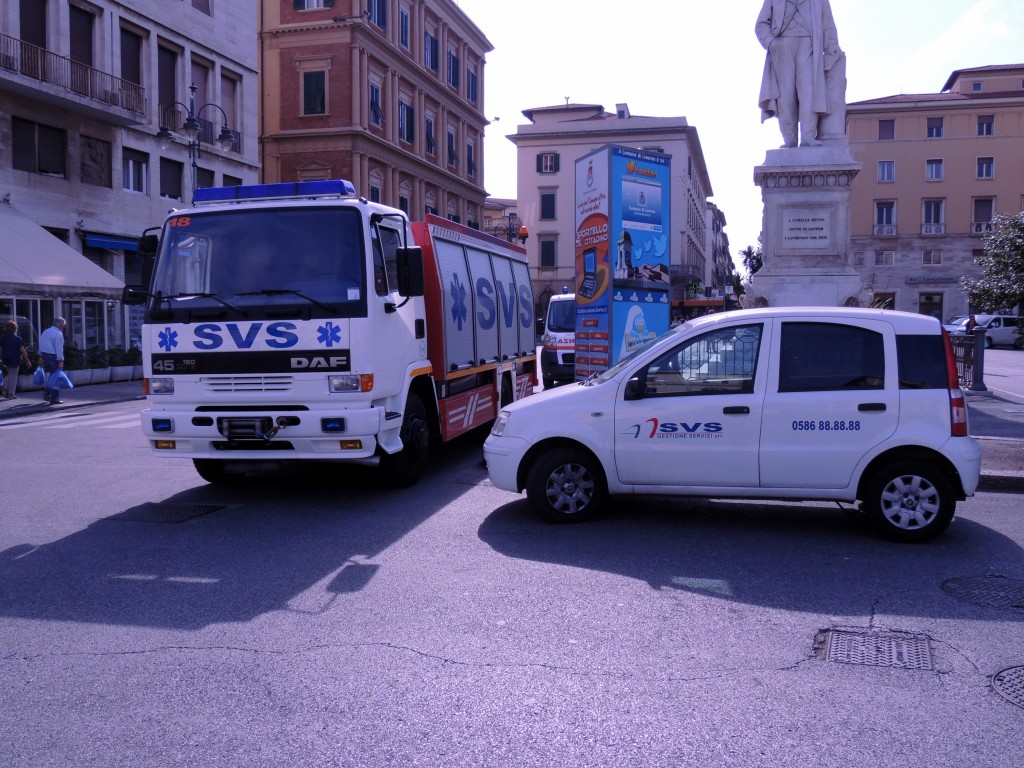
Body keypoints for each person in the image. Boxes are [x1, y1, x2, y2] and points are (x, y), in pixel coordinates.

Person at [756, 0, 844, 148]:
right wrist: (771, 43)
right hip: (782, 44)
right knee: (785, 94)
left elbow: (828, 25)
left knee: (809, 92)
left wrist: (832, 49)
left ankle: (808, 136)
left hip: (809, 44)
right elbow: (761, 24)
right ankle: (789, 138)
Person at [38, 317, 67, 406]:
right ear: (61, 325)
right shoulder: (58, 334)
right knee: (56, 377)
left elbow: (41, 344)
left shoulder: (46, 332)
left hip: (45, 355)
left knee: (52, 376)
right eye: (64, 325)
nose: (64, 327)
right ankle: (54, 398)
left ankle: (47, 393)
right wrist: (60, 360)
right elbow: (59, 348)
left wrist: (41, 356)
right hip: (53, 356)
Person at [1, 321, 32, 400]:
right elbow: (23, 351)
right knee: (14, 376)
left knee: (9, 374)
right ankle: (11, 393)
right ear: (15, 329)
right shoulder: (18, 339)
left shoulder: (3, 338)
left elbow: (0, 349)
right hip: (14, 359)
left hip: (5, 359)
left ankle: (4, 390)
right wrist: (28, 361)